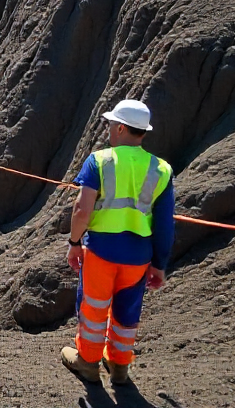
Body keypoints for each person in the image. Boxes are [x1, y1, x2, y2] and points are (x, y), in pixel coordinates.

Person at [61, 99, 174, 387]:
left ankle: (88, 362)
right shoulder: (161, 169)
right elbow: (164, 224)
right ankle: (120, 367)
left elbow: (81, 210)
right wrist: (159, 264)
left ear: (121, 128)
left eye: (111, 124)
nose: (109, 129)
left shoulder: (99, 161)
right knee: (127, 311)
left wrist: (74, 242)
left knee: (94, 309)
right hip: (138, 257)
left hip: (101, 252)